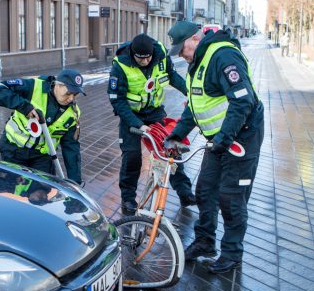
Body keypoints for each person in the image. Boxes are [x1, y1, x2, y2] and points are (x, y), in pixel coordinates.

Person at [163, 21, 264, 275]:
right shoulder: (198, 64)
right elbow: (195, 107)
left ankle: (232, 252)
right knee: (205, 189)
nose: (181, 56)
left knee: (231, 197)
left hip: (242, 136)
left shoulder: (223, 56)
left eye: (182, 49)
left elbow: (243, 101)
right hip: (220, 139)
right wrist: (176, 135)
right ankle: (205, 242)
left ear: (195, 40)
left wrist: (224, 139)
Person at [109, 33, 195, 216]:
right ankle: (128, 199)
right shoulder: (121, 65)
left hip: (154, 111)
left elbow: (172, 76)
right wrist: (138, 125)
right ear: (133, 55)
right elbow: (118, 102)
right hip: (131, 116)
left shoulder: (161, 54)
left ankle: (184, 192)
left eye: (148, 57)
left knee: (170, 150)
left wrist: (191, 93)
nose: (145, 61)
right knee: (132, 156)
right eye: (141, 58)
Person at [0, 69, 84, 184]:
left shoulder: (73, 114)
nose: (71, 98)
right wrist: (24, 107)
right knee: (14, 187)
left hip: (42, 156)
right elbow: (0, 91)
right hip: (14, 150)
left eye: (75, 94)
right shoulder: (34, 86)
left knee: (43, 190)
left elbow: (71, 148)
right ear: (57, 85)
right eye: (68, 93)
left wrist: (75, 182)